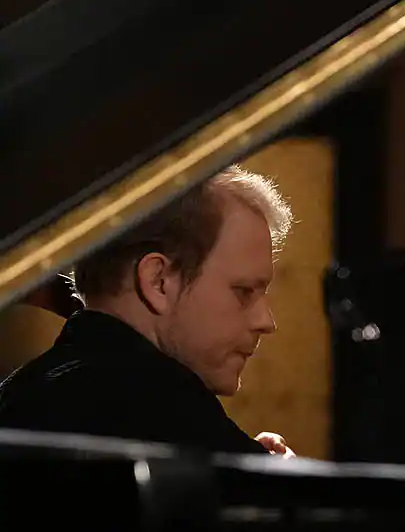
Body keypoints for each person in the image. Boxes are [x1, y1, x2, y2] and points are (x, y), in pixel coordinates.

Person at [0, 165, 297, 457]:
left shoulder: (16, 394)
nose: (266, 321)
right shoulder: (166, 406)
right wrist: (268, 475)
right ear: (158, 281)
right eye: (244, 291)